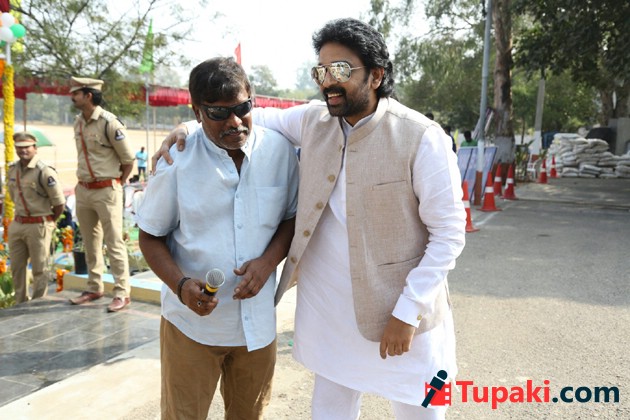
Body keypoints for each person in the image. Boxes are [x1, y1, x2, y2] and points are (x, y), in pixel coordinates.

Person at [156, 18, 465, 420]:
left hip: (399, 312)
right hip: (333, 316)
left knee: (420, 410)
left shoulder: (422, 137)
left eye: (340, 70)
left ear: (376, 75)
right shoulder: (314, 121)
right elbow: (244, 115)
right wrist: (186, 124)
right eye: (321, 71)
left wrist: (408, 311)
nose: (328, 82)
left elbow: (449, 235)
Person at [137, 57, 298, 419]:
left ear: (252, 99)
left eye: (242, 108)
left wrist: (267, 262)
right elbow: (149, 236)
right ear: (196, 112)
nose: (235, 122)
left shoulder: (280, 152)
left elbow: (291, 217)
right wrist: (181, 286)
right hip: (192, 327)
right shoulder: (176, 161)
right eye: (219, 113)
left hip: (257, 327)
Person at [68, 76, 135, 312]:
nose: (72, 97)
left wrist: (116, 183)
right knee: (90, 242)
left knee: (114, 242)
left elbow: (128, 160)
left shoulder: (109, 123)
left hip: (107, 190)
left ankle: (122, 292)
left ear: (88, 95)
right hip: (84, 190)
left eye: (76, 93)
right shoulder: (78, 122)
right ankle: (94, 286)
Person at [7, 131, 65, 304]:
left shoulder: (44, 172)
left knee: (40, 268)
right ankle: (20, 303)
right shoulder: (13, 170)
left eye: (27, 147)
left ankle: (38, 303)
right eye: (19, 147)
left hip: (38, 224)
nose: (23, 150)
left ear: (35, 148)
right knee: (17, 268)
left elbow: (59, 203)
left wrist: (49, 221)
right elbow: (13, 196)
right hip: (18, 223)